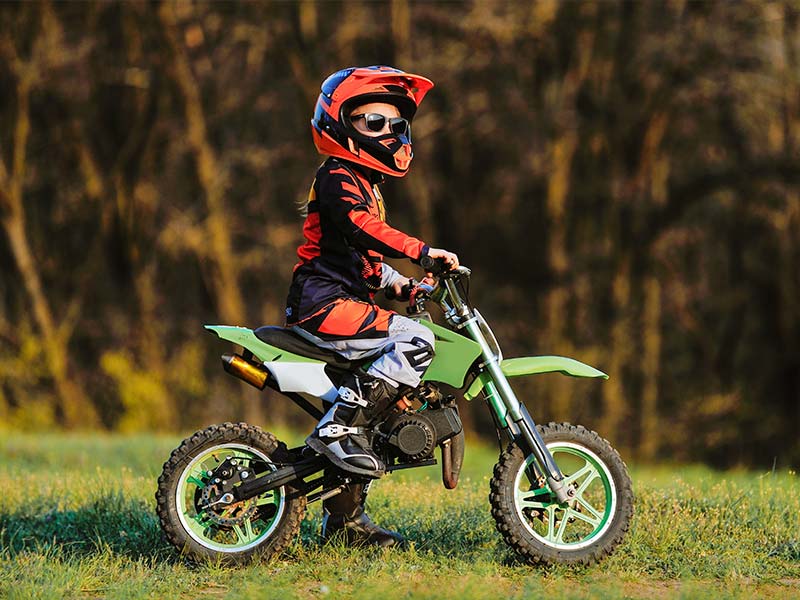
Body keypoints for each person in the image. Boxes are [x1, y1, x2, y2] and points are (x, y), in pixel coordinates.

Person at [285, 66, 458, 547]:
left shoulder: (366, 185)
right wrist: (422, 251)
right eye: (373, 123)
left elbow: (365, 264)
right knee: (418, 341)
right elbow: (361, 229)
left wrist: (408, 288)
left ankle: (344, 525)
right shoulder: (338, 178)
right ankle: (335, 430)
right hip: (322, 305)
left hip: (340, 299)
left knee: (377, 414)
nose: (389, 133)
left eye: (396, 125)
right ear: (340, 124)